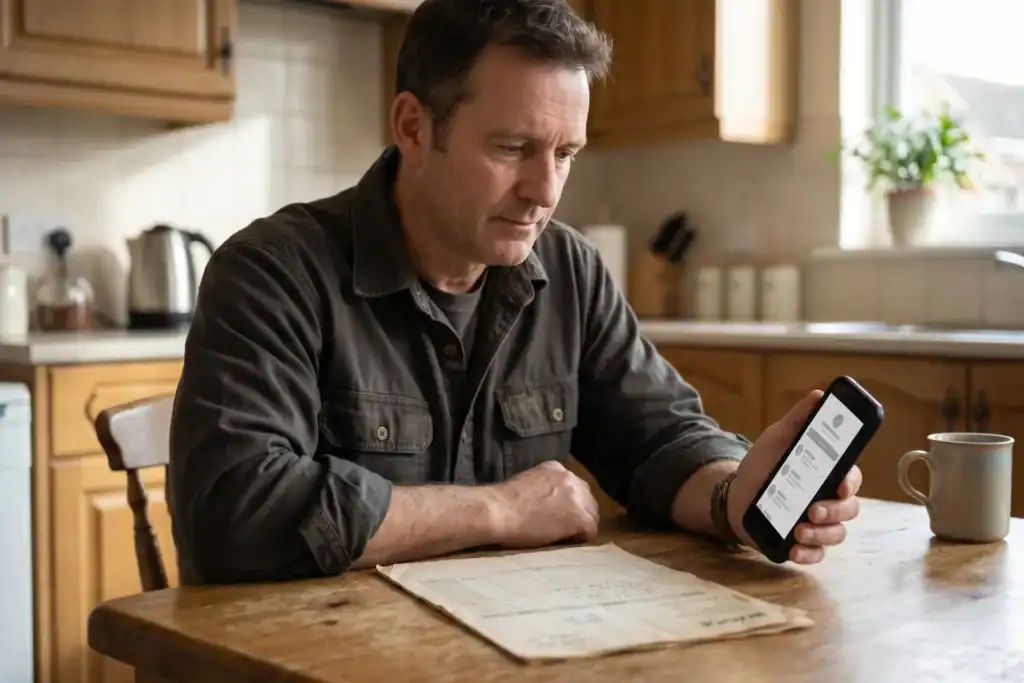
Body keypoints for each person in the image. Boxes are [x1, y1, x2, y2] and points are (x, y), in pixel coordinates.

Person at [168, 0, 862, 585]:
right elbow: (234, 513)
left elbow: (658, 436)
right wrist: (497, 509)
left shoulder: (570, 269)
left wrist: (733, 495)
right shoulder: (272, 272)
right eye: (511, 149)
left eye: (565, 154)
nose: (545, 191)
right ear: (413, 127)